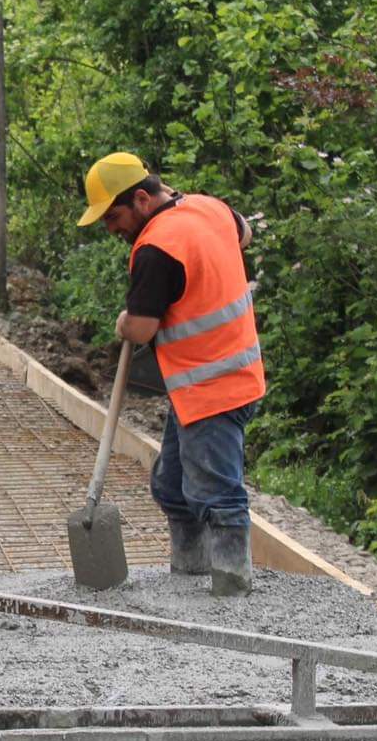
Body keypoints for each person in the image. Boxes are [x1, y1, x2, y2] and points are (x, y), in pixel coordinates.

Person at [79, 151, 264, 595]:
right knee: (171, 485)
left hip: (214, 388)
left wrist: (124, 323)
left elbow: (142, 327)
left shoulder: (157, 248)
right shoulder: (209, 207)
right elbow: (246, 234)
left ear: (142, 199)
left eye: (114, 216)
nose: (111, 229)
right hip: (215, 381)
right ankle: (190, 569)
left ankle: (233, 584)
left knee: (217, 492)